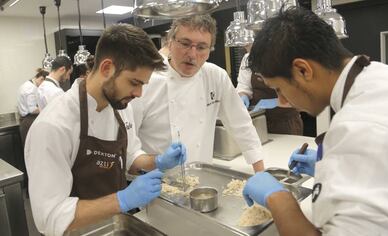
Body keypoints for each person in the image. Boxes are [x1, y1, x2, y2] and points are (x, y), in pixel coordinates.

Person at [242, 7, 388, 236]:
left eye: (279, 89)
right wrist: (330, 169)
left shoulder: (361, 131)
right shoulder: (383, 77)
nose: (282, 100)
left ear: (303, 70)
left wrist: (278, 199)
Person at [25, 24, 186, 236]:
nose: (139, 93)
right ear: (106, 68)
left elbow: (130, 157)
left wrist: (157, 161)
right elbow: (51, 216)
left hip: (116, 226)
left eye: (143, 85)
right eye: (134, 82)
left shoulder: (119, 106)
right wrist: (123, 199)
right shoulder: (53, 126)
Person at [131, 15, 265, 172]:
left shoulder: (216, 76)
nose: (192, 54)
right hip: (154, 182)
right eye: (185, 44)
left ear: (209, 50)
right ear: (170, 42)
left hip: (201, 180)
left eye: (201, 47)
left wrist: (260, 172)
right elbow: (128, 144)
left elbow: (241, 125)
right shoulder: (146, 81)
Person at [236, 44, 303, 135]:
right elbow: (244, 85)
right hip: (258, 122)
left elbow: (301, 98)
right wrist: (243, 95)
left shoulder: (288, 58)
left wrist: (272, 102)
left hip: (285, 124)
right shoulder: (248, 58)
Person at [17, 68, 49, 144]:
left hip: (26, 120)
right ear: (41, 79)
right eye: (44, 84)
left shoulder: (27, 84)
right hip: (29, 121)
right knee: (32, 147)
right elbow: (33, 110)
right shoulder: (30, 88)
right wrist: (47, 108)